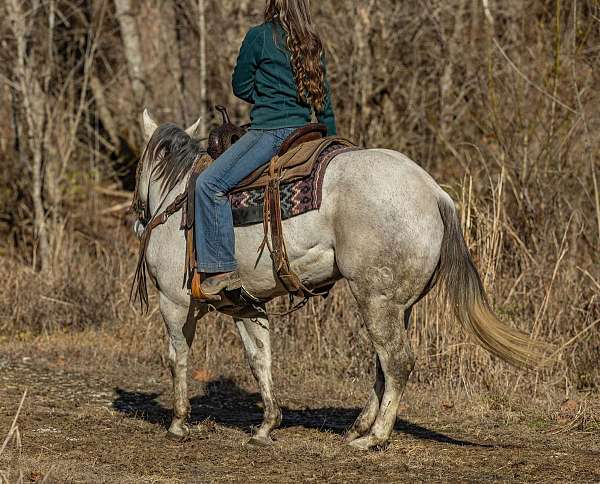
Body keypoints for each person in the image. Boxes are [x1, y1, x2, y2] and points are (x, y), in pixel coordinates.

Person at [195, 0, 337, 297]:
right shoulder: (311, 41)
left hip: (269, 133)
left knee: (209, 184)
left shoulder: (258, 37)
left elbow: (240, 85)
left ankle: (220, 268)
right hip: (307, 134)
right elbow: (323, 102)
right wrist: (331, 143)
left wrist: (265, 95)